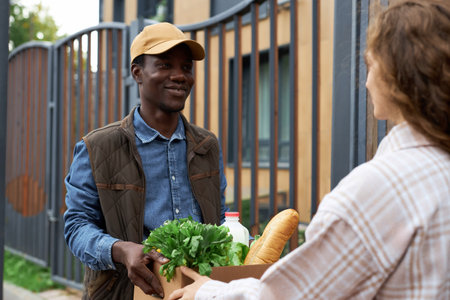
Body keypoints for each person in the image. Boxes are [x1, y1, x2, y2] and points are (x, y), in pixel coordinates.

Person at [168, 1, 450, 299]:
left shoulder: (380, 188)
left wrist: (208, 291)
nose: (366, 82)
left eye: (371, 65)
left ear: (396, 76)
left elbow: (289, 293)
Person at [63, 22, 229, 299]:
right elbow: (76, 226)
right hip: (123, 292)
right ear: (137, 73)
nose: (179, 76)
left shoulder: (206, 145)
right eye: (164, 65)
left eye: (186, 67)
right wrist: (120, 249)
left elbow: (221, 218)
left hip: (198, 291)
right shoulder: (98, 146)